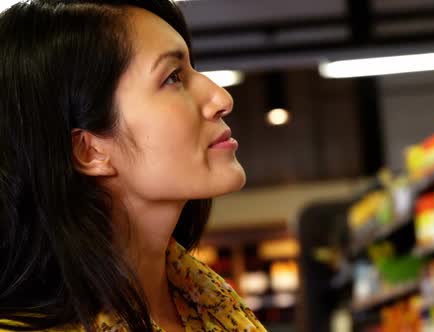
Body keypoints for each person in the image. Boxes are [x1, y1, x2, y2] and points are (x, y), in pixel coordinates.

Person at [0, 0, 266, 331]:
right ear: (90, 150)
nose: (222, 99)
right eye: (173, 77)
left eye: (192, 69)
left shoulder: (210, 300)